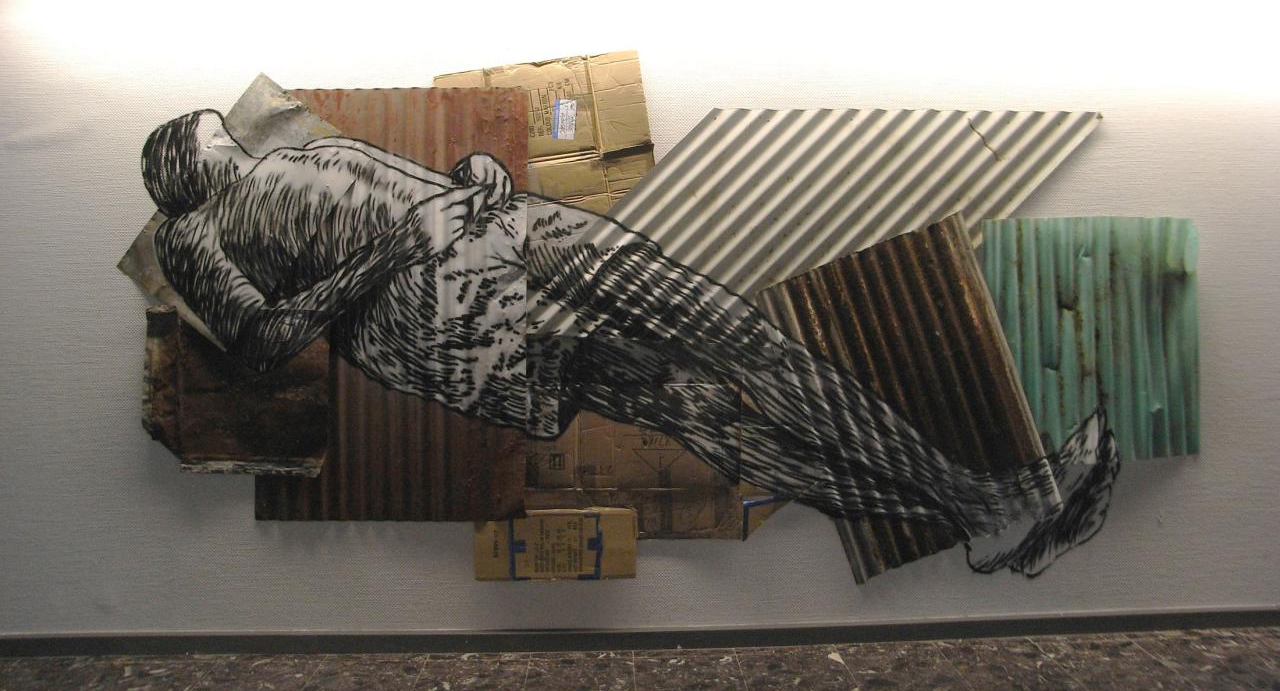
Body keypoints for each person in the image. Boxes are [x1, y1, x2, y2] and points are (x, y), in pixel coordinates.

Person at [142, 109, 1118, 575]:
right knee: (699, 407)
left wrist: (468, 175)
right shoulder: (195, 233)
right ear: (185, 165)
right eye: (210, 136)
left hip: (513, 232)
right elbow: (265, 342)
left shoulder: (291, 152)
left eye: (221, 129)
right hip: (459, 328)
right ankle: (984, 507)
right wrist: (394, 248)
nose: (225, 134)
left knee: (739, 336)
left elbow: (402, 194)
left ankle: (988, 502)